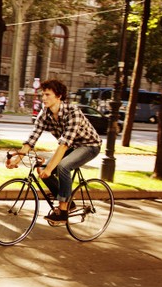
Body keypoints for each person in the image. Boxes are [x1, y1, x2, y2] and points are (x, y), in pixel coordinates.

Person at [6, 79, 101, 225]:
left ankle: (63, 212)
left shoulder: (72, 112)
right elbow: (32, 139)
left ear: (59, 96)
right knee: (41, 169)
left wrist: (50, 168)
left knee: (63, 166)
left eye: (47, 95)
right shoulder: (45, 114)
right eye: (43, 94)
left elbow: (63, 145)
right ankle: (70, 203)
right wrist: (16, 160)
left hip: (89, 145)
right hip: (72, 146)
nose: (43, 98)